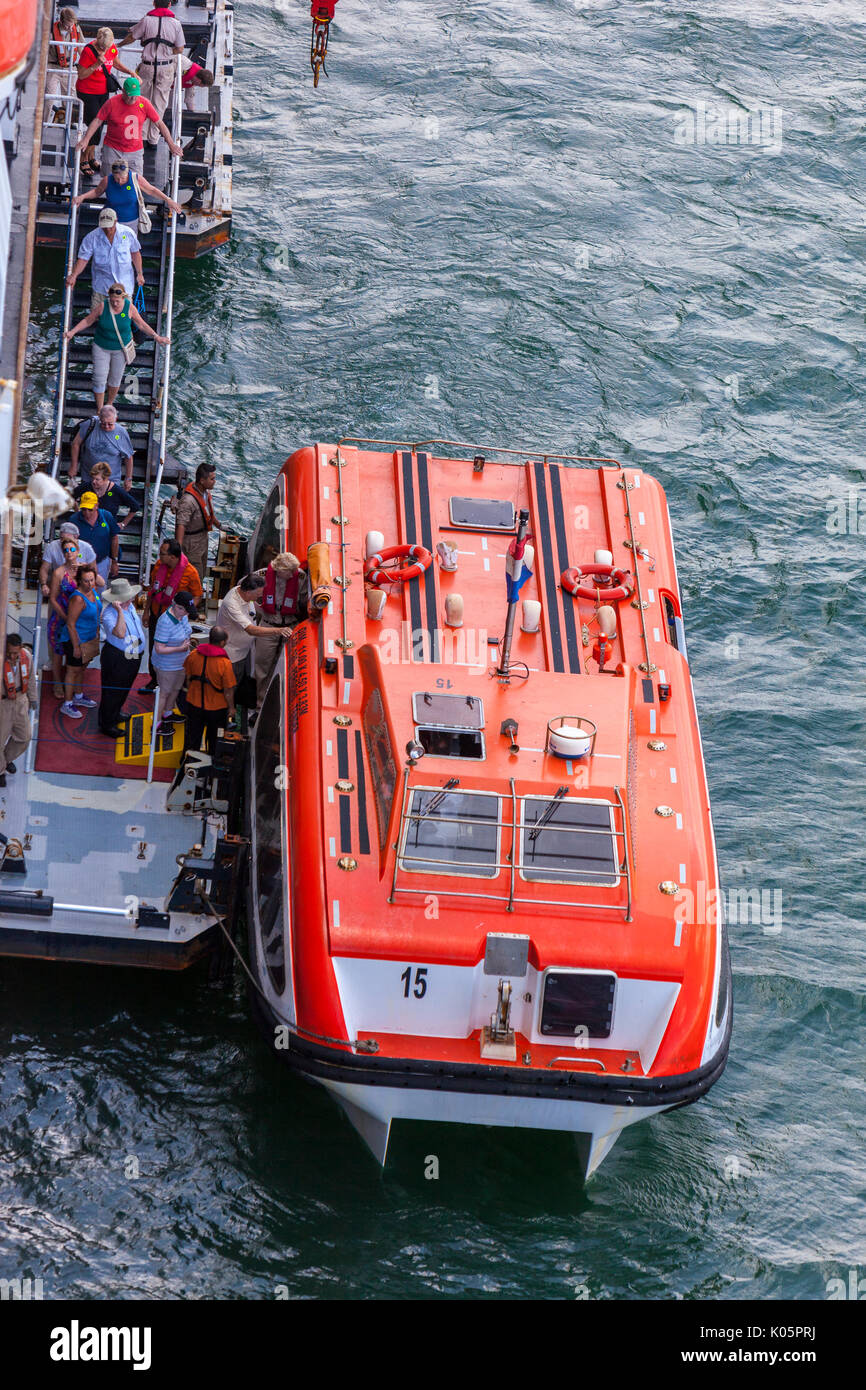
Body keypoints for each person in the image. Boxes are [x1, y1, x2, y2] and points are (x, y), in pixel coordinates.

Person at [64, 280, 169, 410]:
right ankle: (100, 408)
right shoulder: (103, 306)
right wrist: (72, 332)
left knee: (115, 379)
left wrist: (156, 336)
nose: (114, 303)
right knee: (99, 377)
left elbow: (141, 324)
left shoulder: (128, 308)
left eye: (117, 301)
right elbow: (88, 320)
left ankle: (109, 403)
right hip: (101, 347)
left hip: (120, 349)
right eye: (112, 300)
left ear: (123, 297)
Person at [77, 74, 183, 176]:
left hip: (135, 151)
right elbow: (97, 121)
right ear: (123, 91)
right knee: (109, 181)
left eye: (135, 96)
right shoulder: (112, 103)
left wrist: (171, 144)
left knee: (134, 183)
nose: (133, 99)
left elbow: (159, 123)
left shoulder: (144, 103)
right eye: (130, 95)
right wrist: (86, 139)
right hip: (113, 148)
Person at [46, 533, 105, 701]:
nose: (69, 553)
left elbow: (100, 582)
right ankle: (58, 683)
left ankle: (76, 690)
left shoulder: (82, 569)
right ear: (63, 554)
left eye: (72, 549)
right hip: (62, 617)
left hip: (81, 617)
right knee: (58, 653)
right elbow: (52, 598)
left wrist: (88, 568)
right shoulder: (59, 573)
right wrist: (65, 617)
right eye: (66, 550)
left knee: (79, 656)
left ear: (78, 551)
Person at [117, 7, 185, 144]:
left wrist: (119, 44)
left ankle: (141, 136)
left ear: (154, 3)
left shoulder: (146, 20)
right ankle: (153, 139)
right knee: (159, 103)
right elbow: (180, 48)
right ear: (170, 4)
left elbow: (132, 37)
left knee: (141, 101)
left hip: (147, 67)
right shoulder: (176, 23)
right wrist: (166, 52)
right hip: (166, 68)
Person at [75, 29, 137, 175]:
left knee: (101, 123)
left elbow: (115, 63)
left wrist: (129, 71)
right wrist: (96, 64)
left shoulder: (111, 47)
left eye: (107, 48)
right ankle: (83, 158)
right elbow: (82, 75)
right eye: (102, 47)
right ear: (97, 41)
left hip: (103, 91)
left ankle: (91, 156)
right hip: (88, 92)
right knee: (94, 125)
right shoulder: (88, 51)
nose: (104, 50)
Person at [142, 538, 202, 687]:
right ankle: (154, 679)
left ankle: (174, 680)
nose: (159, 556)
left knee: (176, 648)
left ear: (173, 557)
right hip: (157, 614)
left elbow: (197, 595)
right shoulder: (158, 566)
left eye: (162, 554)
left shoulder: (190, 573)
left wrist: (185, 612)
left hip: (176, 619)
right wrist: (146, 612)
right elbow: (152, 591)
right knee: (154, 648)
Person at [66, 208, 144, 317]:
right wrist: (74, 275)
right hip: (101, 287)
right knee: (99, 318)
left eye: (110, 226)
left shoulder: (127, 233)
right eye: (104, 226)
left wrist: (140, 274)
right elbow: (83, 259)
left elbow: (135, 253)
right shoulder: (92, 237)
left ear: (116, 221)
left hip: (124, 287)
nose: (107, 229)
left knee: (124, 319)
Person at [73, 159, 181, 234]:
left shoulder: (135, 179)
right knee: (108, 245)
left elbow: (152, 190)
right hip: (110, 221)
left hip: (129, 223)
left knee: (126, 244)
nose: (120, 181)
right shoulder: (107, 180)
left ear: (128, 172)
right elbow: (97, 192)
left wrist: (168, 199)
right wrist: (82, 197)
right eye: (117, 178)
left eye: (123, 178)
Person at [252, 552, 310, 693]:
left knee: (286, 666)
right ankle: (258, 702)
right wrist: (256, 608)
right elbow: (242, 589)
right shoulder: (262, 575)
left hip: (290, 626)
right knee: (262, 667)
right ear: (280, 570)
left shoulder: (300, 577)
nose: (292, 575)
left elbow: (306, 600)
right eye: (289, 572)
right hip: (268, 625)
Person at [98, 577, 146, 737]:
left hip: (133, 655)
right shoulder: (110, 615)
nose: (132, 599)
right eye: (128, 598)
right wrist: (119, 611)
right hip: (118, 656)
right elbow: (120, 633)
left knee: (124, 688)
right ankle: (107, 723)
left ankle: (116, 713)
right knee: (113, 691)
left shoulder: (130, 607)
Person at [59, 564, 103, 719]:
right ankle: (67, 703)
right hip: (75, 640)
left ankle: (78, 696)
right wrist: (76, 646)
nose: (90, 584)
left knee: (82, 668)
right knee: (72, 670)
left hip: (89, 638)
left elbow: (97, 611)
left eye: (92, 580)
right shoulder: (78, 599)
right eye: (86, 581)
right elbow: (70, 624)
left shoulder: (94, 592)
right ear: (79, 581)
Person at [183, 626, 235, 754]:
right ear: (222, 642)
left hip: (194, 704)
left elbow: (188, 678)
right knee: (215, 738)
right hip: (216, 709)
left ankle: (188, 761)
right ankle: (212, 760)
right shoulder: (224, 663)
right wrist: (231, 708)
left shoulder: (193, 655)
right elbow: (228, 690)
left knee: (192, 737)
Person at [152, 591, 196, 733]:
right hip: (167, 665)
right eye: (181, 609)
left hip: (181, 662)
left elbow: (185, 631)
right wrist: (180, 648)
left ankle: (168, 713)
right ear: (174, 605)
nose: (184, 613)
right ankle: (156, 725)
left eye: (186, 610)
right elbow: (159, 648)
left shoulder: (183, 615)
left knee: (176, 689)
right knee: (164, 693)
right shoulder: (165, 621)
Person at [216, 573, 270, 683]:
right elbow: (251, 630)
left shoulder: (242, 590)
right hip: (233, 657)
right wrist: (280, 630)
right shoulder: (231, 603)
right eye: (258, 594)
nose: (260, 597)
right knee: (231, 686)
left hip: (245, 651)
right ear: (248, 592)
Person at [0, 635, 37, 786]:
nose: (12, 656)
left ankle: (5, 760)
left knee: (25, 737)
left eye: (16, 653)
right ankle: (1, 771)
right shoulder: (1, 660)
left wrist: (33, 699)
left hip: (21, 700)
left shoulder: (26, 657)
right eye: (10, 652)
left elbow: (32, 679)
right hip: (4, 704)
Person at [69, 405, 134, 489]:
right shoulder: (89, 425)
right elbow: (75, 444)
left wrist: (128, 478)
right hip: (89, 478)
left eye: (110, 424)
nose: (106, 427)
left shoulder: (120, 434)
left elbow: (128, 456)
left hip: (111, 481)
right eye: (103, 423)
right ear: (99, 418)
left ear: (116, 419)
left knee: (109, 498)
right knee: (88, 500)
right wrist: (73, 466)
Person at [174, 463, 221, 578]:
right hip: (191, 543)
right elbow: (181, 524)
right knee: (194, 576)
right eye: (212, 479)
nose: (214, 481)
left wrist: (220, 526)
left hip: (203, 539)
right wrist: (178, 549)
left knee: (202, 571)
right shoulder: (188, 501)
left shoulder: (206, 493)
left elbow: (209, 514)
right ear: (202, 481)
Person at [40, 522, 96, 600]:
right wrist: (44, 584)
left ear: (76, 537)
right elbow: (44, 568)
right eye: (61, 538)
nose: (64, 542)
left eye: (67, 539)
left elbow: (94, 572)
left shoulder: (87, 548)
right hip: (60, 587)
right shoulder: (52, 546)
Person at [45, 8, 83, 124]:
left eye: (71, 26)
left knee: (69, 99)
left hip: (70, 68)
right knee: (49, 98)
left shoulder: (76, 28)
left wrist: (88, 63)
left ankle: (67, 124)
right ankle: (43, 124)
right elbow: (44, 50)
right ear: (61, 21)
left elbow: (81, 47)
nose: (69, 28)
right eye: (67, 26)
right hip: (53, 68)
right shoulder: (51, 30)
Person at [73, 492, 119, 584]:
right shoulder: (74, 519)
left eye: (90, 509)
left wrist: (114, 561)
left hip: (102, 561)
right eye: (84, 509)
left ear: (97, 505)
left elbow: (114, 538)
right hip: (81, 562)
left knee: (100, 590)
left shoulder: (106, 516)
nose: (86, 512)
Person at [84, 462, 141, 530]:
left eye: (97, 479)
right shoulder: (87, 486)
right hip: (88, 527)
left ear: (105, 479)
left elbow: (135, 506)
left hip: (107, 529)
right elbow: (72, 497)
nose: (93, 481)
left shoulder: (116, 490)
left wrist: (123, 524)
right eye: (92, 478)